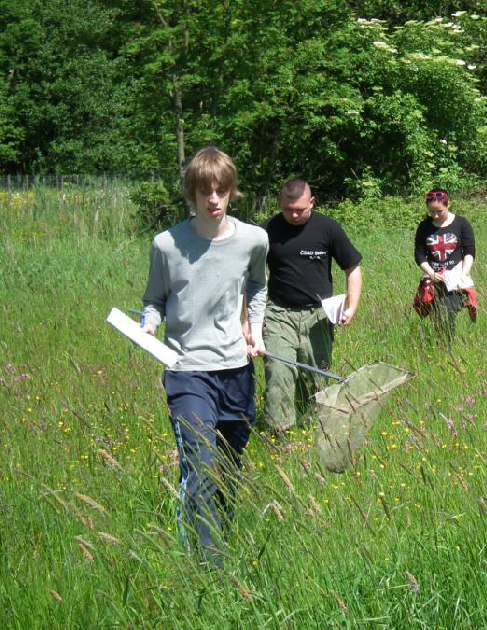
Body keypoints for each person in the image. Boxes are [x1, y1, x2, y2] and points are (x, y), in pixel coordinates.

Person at [141, 147, 269, 567]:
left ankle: (221, 537)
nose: (213, 200)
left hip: (236, 369)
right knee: (200, 463)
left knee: (230, 467)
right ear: (191, 195)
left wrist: (255, 330)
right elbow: (154, 300)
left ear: (231, 192)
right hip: (186, 370)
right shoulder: (166, 244)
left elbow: (258, 286)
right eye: (204, 192)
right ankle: (209, 567)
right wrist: (147, 324)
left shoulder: (253, 239)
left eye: (221, 191)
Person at [261, 179, 362, 434]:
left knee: (316, 379)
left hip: (318, 315)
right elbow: (249, 274)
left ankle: (312, 431)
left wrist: (351, 306)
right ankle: (280, 436)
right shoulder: (267, 231)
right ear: (280, 204)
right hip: (278, 314)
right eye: (288, 209)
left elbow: (353, 268)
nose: (294, 215)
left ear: (312, 203)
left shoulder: (328, 228)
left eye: (300, 210)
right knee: (279, 372)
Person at [413, 188, 476, 343]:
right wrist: (431, 273)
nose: (435, 215)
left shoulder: (462, 224)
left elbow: (469, 251)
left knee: (447, 312)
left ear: (448, 205)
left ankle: (446, 348)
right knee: (436, 316)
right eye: (431, 211)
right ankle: (440, 346)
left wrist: (464, 274)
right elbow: (419, 254)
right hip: (433, 278)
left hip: (456, 279)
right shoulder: (424, 227)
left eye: (439, 211)